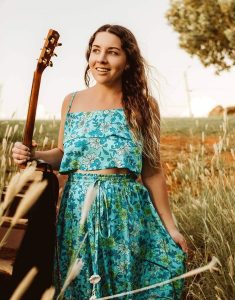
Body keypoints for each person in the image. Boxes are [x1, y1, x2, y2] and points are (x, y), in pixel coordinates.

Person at [12, 24, 188, 299]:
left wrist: (171, 227)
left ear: (128, 61)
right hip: (77, 212)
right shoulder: (71, 102)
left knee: (125, 287)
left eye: (112, 52)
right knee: (79, 287)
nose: (101, 59)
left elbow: (152, 171)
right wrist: (34, 155)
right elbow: (63, 154)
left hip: (126, 213)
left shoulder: (143, 105)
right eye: (96, 51)